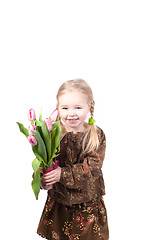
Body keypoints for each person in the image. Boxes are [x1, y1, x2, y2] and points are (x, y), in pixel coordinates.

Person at [37, 79, 109, 240]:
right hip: (60, 203)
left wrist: (61, 174)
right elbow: (44, 162)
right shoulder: (53, 134)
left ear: (89, 107)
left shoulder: (96, 135)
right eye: (65, 108)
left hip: (87, 206)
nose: (71, 113)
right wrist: (43, 180)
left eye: (78, 107)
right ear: (58, 109)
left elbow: (92, 168)